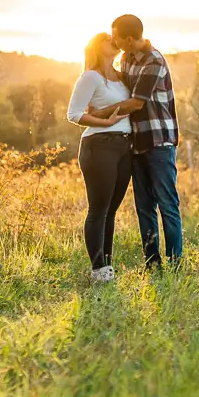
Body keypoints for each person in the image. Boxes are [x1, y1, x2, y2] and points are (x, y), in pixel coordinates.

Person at [111, 13, 183, 268]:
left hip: (159, 142)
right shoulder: (126, 58)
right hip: (138, 142)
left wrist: (99, 113)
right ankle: (152, 264)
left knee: (167, 204)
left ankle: (175, 264)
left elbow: (136, 102)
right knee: (144, 207)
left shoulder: (154, 60)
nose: (114, 41)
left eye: (117, 37)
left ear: (129, 39)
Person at [66, 32, 137, 282]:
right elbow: (74, 114)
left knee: (112, 210)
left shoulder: (122, 76)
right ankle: (98, 269)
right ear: (98, 46)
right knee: (99, 209)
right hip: (99, 145)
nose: (114, 40)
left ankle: (107, 267)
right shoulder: (90, 77)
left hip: (124, 146)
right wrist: (105, 121)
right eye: (108, 38)